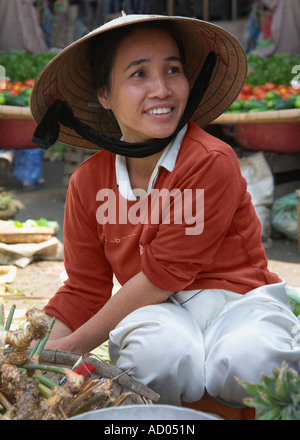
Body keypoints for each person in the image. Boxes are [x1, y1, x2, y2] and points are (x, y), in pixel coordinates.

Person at [30, 14, 300, 407]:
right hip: (159, 312)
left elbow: (163, 274)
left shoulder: (210, 160)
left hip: (238, 304)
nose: (161, 89)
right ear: (105, 95)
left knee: (254, 362)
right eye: (139, 74)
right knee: (154, 357)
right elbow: (85, 289)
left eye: (173, 69)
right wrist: (35, 347)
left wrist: (70, 348)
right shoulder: (87, 183)